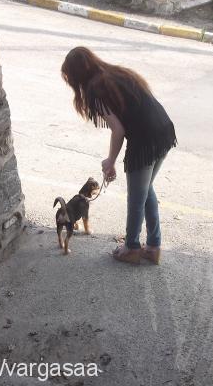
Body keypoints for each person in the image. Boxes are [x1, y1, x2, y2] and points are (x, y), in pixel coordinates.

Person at [61, 47, 177, 265]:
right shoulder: (117, 73)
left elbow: (118, 130)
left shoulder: (96, 88)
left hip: (145, 139)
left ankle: (131, 248)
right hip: (163, 130)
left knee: (136, 197)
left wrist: (110, 161)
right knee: (145, 189)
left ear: (77, 75)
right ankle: (153, 247)